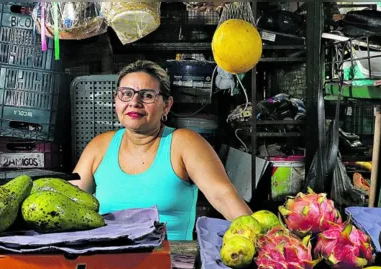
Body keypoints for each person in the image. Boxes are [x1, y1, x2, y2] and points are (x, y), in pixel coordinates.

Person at [72, 60, 252, 240]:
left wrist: (264, 240)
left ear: (166, 105)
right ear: (116, 101)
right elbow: (69, 203)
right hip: (109, 264)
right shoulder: (100, 147)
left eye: (147, 95)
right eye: (126, 94)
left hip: (171, 261)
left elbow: (222, 196)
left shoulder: (184, 144)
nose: (135, 102)